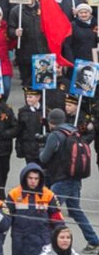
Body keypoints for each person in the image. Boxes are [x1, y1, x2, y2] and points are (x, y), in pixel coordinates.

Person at [40, 108, 99, 252]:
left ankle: (50, 243)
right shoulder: (73, 131)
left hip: (61, 180)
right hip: (75, 177)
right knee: (75, 211)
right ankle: (93, 241)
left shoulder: (55, 135)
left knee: (48, 210)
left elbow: (43, 158)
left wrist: (42, 147)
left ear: (51, 122)